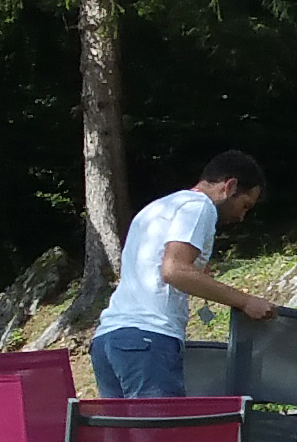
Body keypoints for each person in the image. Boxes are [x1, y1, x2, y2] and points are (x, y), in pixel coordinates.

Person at [91, 151, 280, 403]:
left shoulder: (159, 207)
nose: (241, 216)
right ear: (230, 186)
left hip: (108, 340)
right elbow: (175, 270)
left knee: (123, 440)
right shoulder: (199, 207)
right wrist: (246, 301)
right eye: (244, 205)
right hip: (148, 339)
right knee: (162, 439)